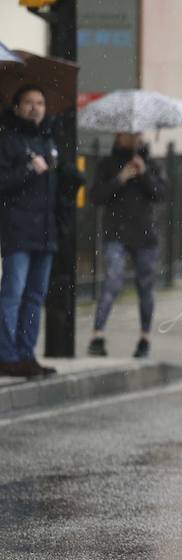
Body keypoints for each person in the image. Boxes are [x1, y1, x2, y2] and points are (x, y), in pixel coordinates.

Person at [0, 85, 62, 378]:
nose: (35, 108)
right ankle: (6, 355)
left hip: (45, 233)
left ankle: (26, 354)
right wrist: (28, 171)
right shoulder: (8, 141)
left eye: (40, 102)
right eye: (28, 103)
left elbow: (55, 188)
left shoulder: (48, 141)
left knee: (35, 296)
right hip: (18, 230)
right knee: (13, 293)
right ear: (16, 107)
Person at [87, 133, 167, 358]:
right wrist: (120, 178)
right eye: (126, 134)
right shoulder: (107, 164)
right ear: (117, 137)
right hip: (116, 233)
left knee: (145, 287)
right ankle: (97, 335)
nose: (132, 138)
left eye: (136, 134)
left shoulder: (151, 164)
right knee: (112, 281)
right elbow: (95, 197)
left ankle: (144, 338)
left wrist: (143, 174)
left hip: (145, 236)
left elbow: (160, 194)